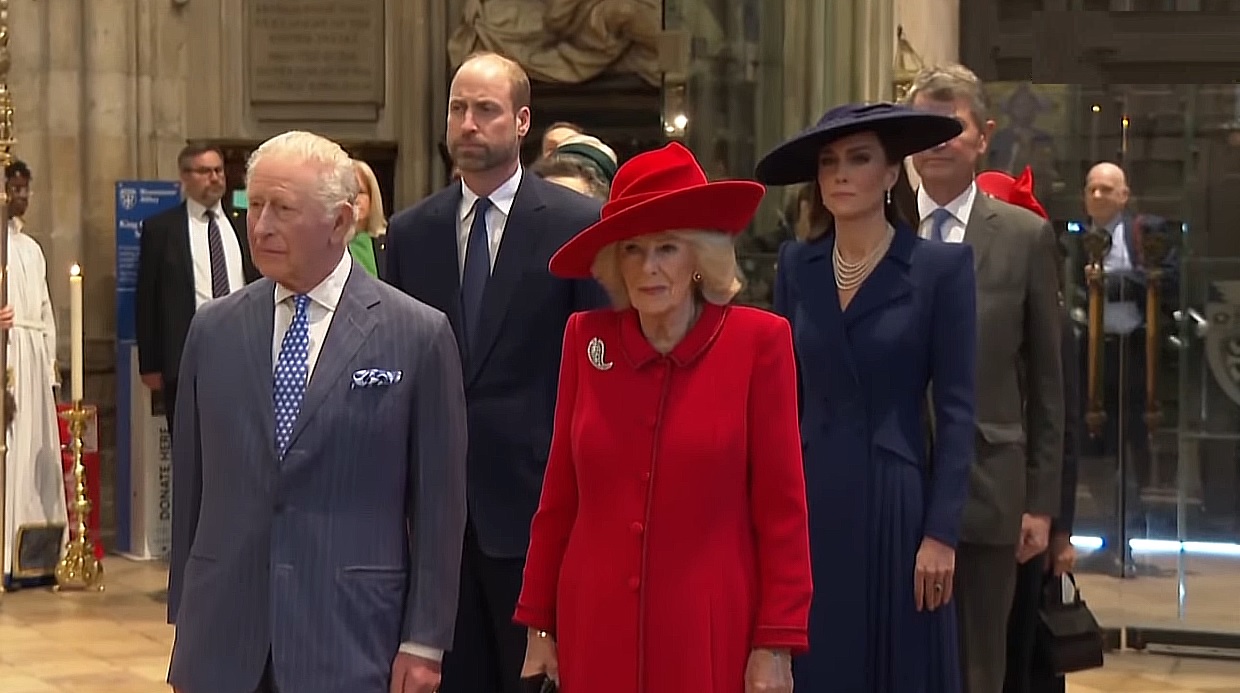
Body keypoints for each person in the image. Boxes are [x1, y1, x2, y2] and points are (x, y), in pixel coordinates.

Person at [166, 131, 469, 693]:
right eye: (254, 205)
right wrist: (188, 625)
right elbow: (192, 488)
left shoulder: (416, 334)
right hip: (225, 638)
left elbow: (439, 507)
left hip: (352, 636)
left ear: (341, 222)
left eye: (283, 209)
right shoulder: (213, 329)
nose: (260, 226)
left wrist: (424, 641)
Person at [516, 141, 811, 693]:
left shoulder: (759, 343)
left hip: (709, 623)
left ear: (700, 257)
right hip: (594, 621)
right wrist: (539, 623)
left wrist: (776, 642)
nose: (648, 268)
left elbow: (783, 509)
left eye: (667, 248)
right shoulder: (587, 340)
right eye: (632, 250)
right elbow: (559, 495)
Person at [385, 52, 606, 693]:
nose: (470, 124)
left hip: (534, 505)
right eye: (459, 109)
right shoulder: (412, 232)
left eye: (486, 110)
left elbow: (590, 373)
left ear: (522, 121)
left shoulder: (574, 225)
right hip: (436, 511)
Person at [757, 102, 977, 693]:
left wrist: (941, 532)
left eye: (859, 160)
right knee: (816, 661)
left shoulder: (940, 269)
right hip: (809, 495)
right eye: (829, 163)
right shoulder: (795, 266)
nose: (841, 174)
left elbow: (957, 413)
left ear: (889, 174)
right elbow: (781, 397)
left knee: (895, 667)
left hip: (896, 501)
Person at [906, 65, 1064, 693]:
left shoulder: (1025, 237)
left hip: (990, 488)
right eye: (926, 128)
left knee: (977, 666)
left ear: (983, 137)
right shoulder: (880, 230)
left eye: (953, 127)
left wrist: (1042, 504)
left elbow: (1049, 382)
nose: (938, 141)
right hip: (898, 481)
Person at [977, 168, 1080, 693]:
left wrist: (1057, 522)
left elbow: (1059, 421)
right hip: (986, 497)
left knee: (1021, 650)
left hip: (1023, 502)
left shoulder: (1049, 319)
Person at [136, 143, 259, 433]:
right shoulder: (161, 229)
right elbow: (147, 299)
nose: (215, 178)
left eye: (218, 170)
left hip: (242, 353)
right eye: (205, 172)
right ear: (185, 176)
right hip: (186, 356)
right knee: (190, 442)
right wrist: (150, 364)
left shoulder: (245, 224)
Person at [0, 159, 66, 588]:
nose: (22, 197)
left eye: (26, 188)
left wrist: (50, 369)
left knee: (37, 457)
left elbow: (43, 312)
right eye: (14, 188)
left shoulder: (30, 248)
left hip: (32, 361)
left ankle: (36, 558)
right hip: (5, 358)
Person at [346, 160, 388, 279]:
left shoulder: (391, 243)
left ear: (372, 197)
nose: (354, 198)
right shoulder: (325, 246)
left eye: (360, 192)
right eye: (347, 192)